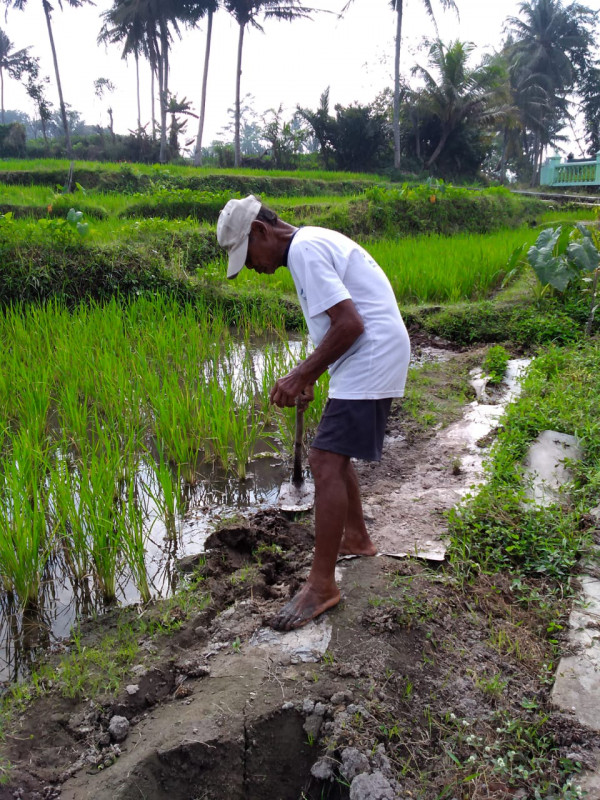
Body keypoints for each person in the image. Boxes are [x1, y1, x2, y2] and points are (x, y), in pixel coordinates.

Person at [217, 194, 411, 631]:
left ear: (261, 232)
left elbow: (351, 324)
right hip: (369, 354)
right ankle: (357, 538)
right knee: (333, 454)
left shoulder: (304, 249)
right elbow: (334, 327)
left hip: (372, 353)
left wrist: (301, 375)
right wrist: (308, 375)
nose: (251, 267)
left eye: (247, 256)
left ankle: (322, 585)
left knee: (324, 459)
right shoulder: (310, 247)